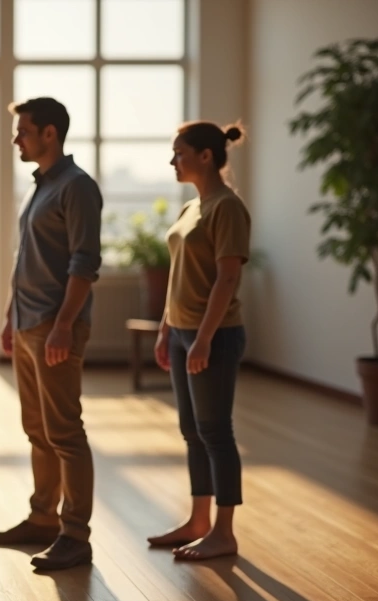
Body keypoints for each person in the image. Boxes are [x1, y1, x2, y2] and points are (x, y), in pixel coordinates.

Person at [0, 97, 103, 572]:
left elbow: (84, 264)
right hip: (29, 324)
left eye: (23, 131)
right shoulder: (41, 186)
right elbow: (27, 257)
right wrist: (11, 315)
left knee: (65, 433)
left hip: (56, 328)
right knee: (37, 431)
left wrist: (61, 326)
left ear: (49, 134)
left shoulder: (77, 188)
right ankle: (42, 519)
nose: (17, 139)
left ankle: (75, 535)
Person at [147, 121, 250, 561]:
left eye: (179, 153)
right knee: (192, 431)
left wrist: (203, 338)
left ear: (205, 156)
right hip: (183, 332)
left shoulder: (227, 208)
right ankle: (198, 520)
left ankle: (224, 532)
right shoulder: (193, 207)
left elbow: (228, 277)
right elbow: (179, 272)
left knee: (215, 431)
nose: (173, 161)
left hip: (215, 335)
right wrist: (167, 327)